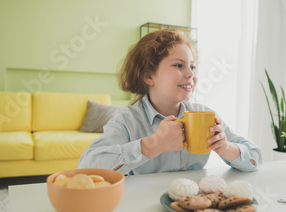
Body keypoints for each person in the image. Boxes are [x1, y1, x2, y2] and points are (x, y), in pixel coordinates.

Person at [78, 29, 262, 175]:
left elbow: (255, 157)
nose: (191, 74)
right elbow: (87, 167)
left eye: (192, 66)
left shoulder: (204, 114)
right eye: (178, 65)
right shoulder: (127, 120)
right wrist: (154, 143)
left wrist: (226, 147)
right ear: (149, 75)